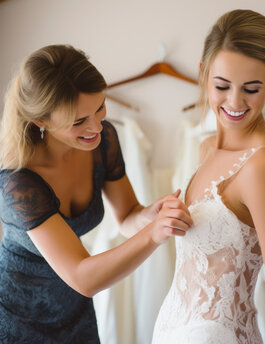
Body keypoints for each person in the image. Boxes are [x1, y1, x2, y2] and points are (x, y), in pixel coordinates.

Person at [0, 44, 192, 343]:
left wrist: (149, 215)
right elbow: (82, 278)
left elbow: (127, 215)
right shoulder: (19, 183)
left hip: (75, 311)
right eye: (78, 121)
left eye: (100, 107)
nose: (95, 126)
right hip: (19, 318)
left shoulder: (103, 142)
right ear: (41, 121)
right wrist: (155, 233)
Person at [152, 9, 265, 344]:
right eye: (222, 86)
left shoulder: (263, 164)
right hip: (170, 331)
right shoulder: (206, 148)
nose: (235, 102)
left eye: (251, 89)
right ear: (203, 73)